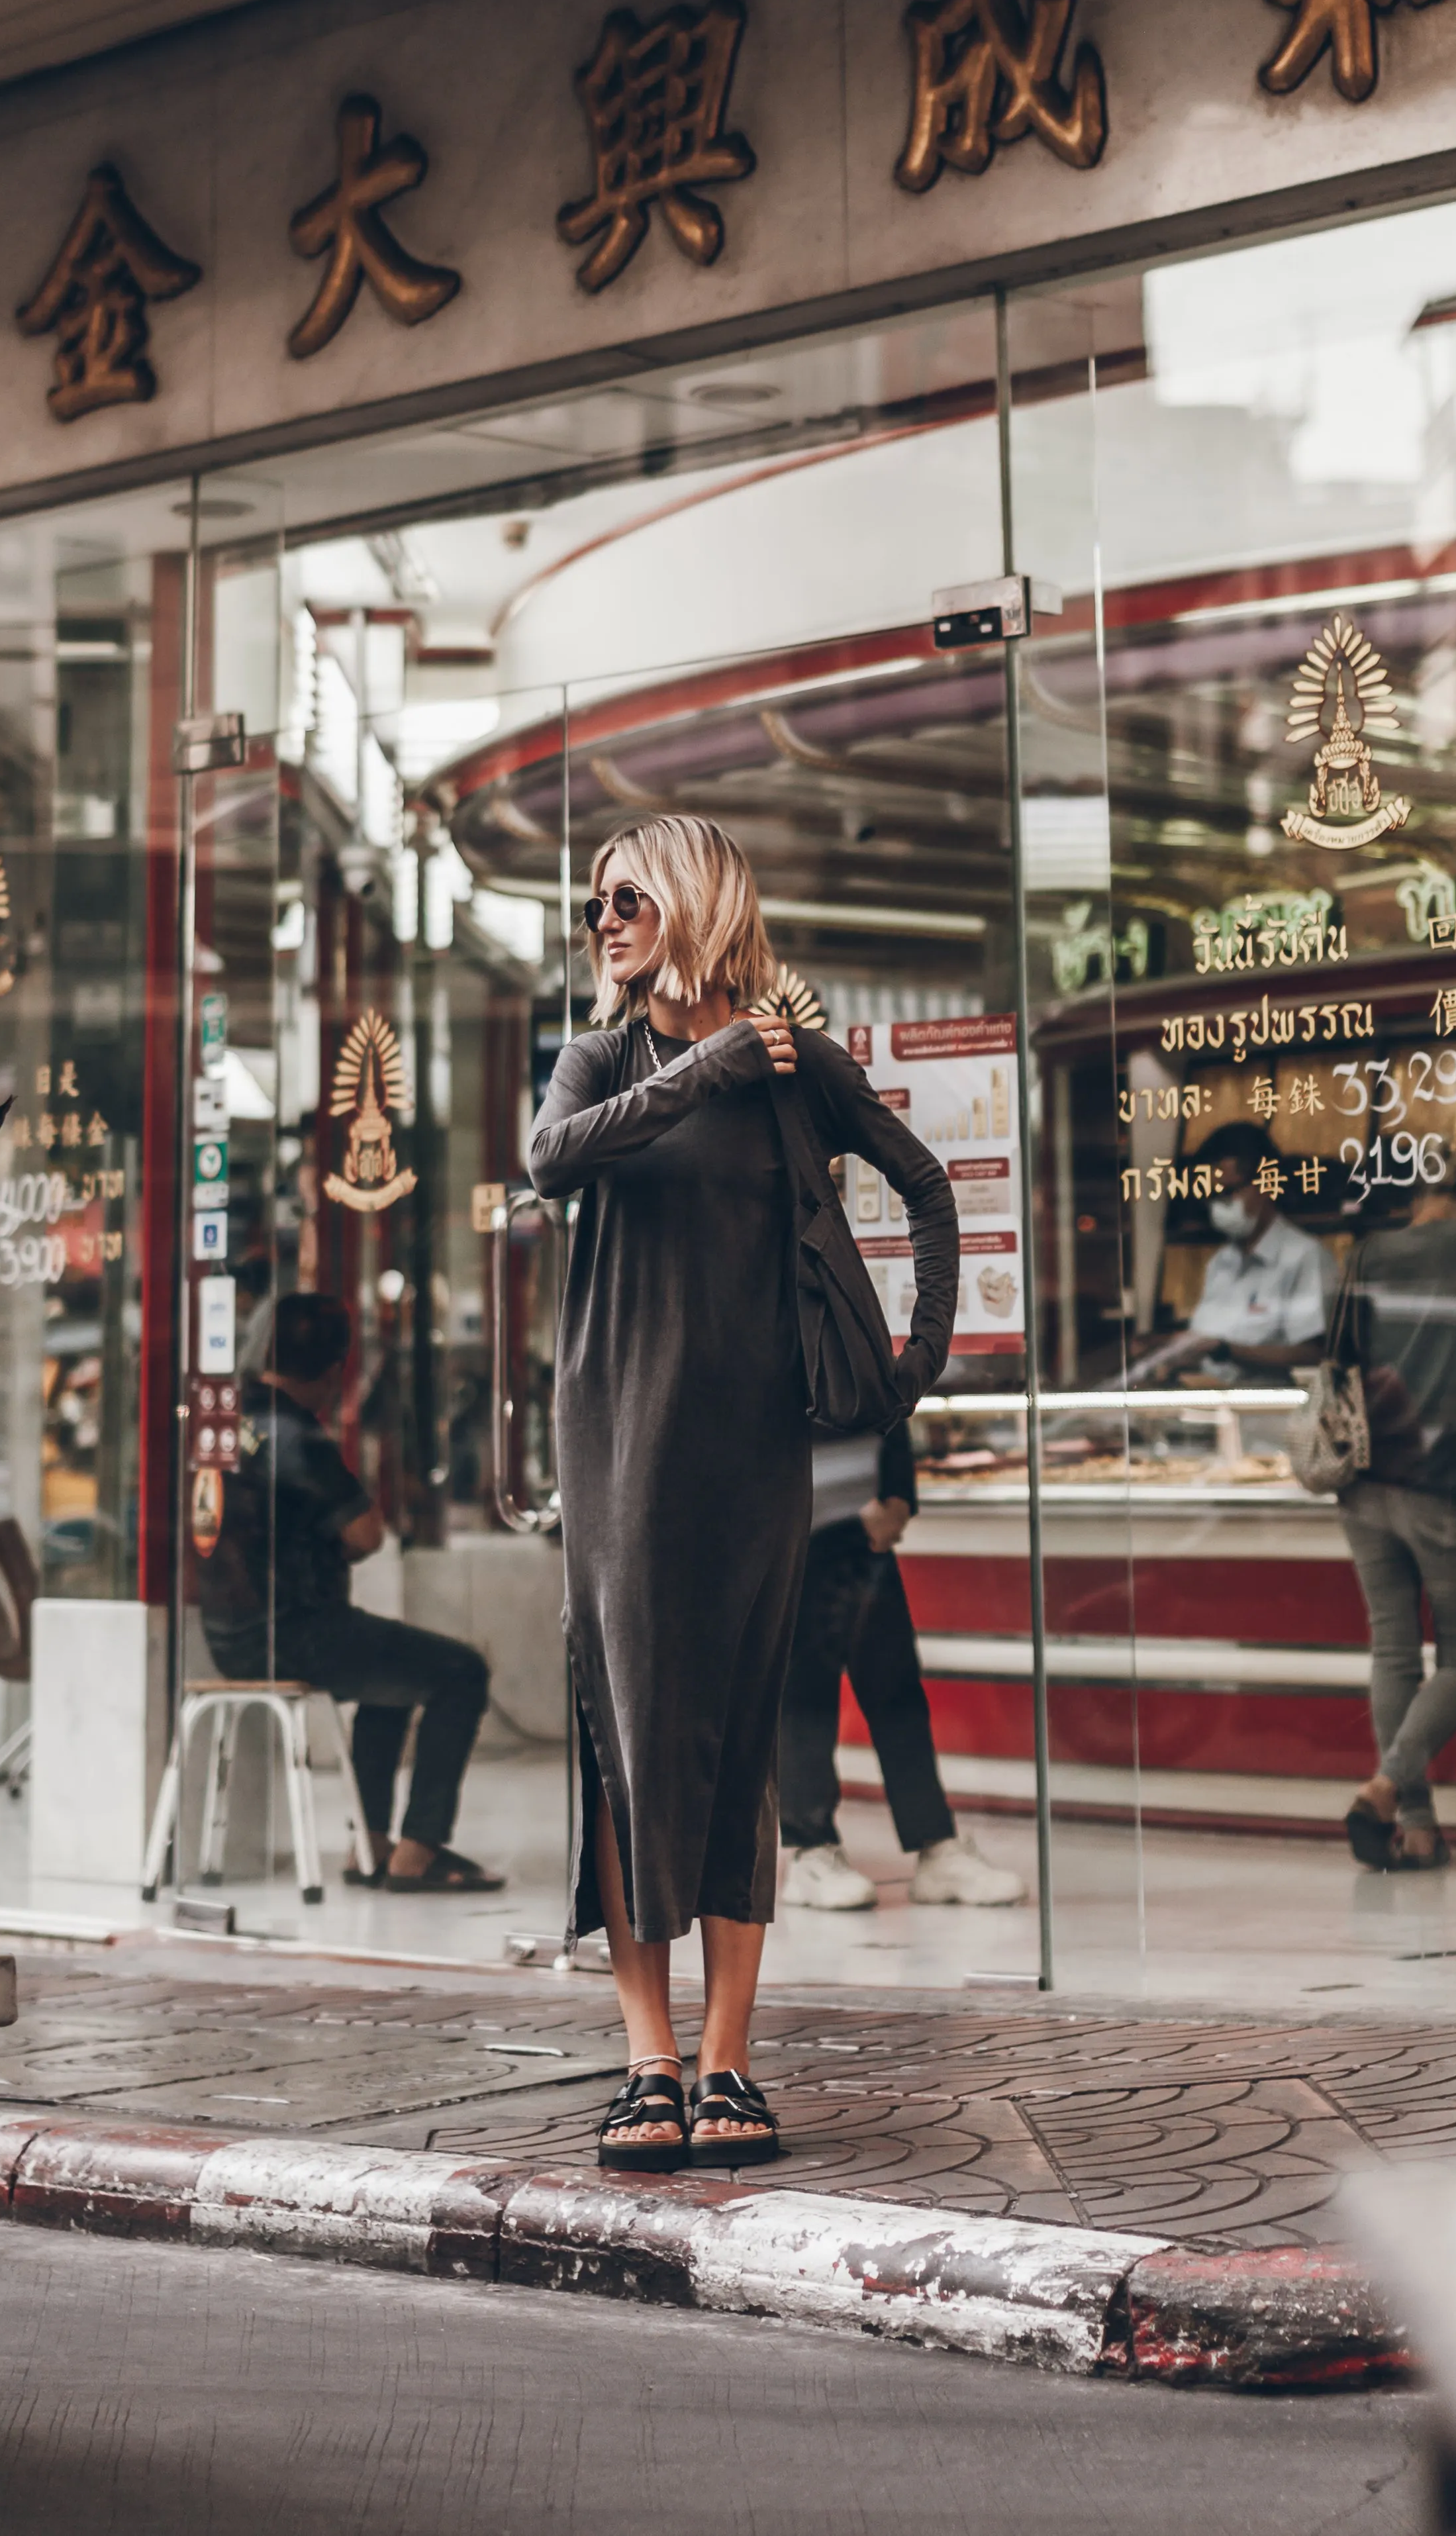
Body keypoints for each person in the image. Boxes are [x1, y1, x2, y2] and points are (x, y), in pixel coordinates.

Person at [528, 816, 957, 2170]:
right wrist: (700, 1066)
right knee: (629, 1731)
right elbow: (552, 1157)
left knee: (734, 1736)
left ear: (695, 900)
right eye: (595, 903)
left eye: (627, 897)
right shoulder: (605, 1055)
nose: (603, 920)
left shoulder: (793, 1071)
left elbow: (926, 1190)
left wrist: (908, 1377)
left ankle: (724, 2064)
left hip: (754, 1448)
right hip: (611, 1442)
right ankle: (644, 2059)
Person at [197, 1291, 502, 1892]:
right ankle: (417, 1854)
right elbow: (365, 1534)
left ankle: (370, 1844)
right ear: (335, 1373)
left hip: (228, 1634)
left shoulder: (233, 1423)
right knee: (460, 1670)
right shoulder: (296, 1436)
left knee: (389, 1681)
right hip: (297, 1632)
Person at [779, 1422, 1023, 1910]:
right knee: (804, 1696)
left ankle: (935, 1847)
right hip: (788, 1529)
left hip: (859, 1530)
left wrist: (897, 1496)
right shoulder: (762, 1345)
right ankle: (810, 1850)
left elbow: (886, 1399)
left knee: (896, 1692)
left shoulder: (858, 1345)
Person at [1334, 1183, 1456, 1872]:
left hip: (1365, 1477)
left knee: (1392, 1649)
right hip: (1444, 1479)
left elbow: (1336, 1352)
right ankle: (1385, 1786)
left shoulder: (1367, 1252)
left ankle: (1420, 1827)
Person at [1138, 1122, 1330, 1377]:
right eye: (1211, 1196)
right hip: (1215, 1407)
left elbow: (1314, 1356)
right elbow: (1207, 1350)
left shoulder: (1305, 1257)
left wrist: (1222, 1349)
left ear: (1265, 1185)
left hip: (1274, 1411)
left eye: (1228, 1192)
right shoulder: (1221, 1263)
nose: (1218, 1206)